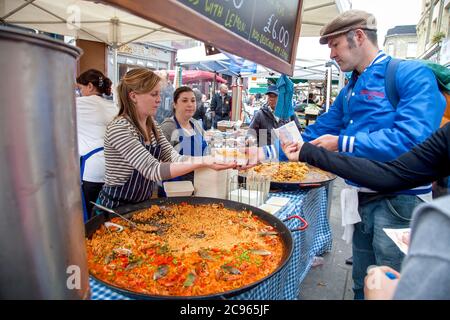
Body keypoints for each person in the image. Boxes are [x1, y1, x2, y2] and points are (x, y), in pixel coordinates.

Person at [260, 10, 446, 299]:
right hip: (361, 199)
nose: (332, 54)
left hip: (400, 201)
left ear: (358, 36)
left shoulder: (409, 73)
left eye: (335, 45)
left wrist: (343, 142)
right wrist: (264, 152)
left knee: (398, 290)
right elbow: (313, 133)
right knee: (363, 283)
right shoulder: (350, 89)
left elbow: (413, 141)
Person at [96, 68, 235, 209]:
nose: (159, 99)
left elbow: (175, 157)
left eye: (159, 94)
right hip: (115, 207)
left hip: (142, 204)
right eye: (153, 94)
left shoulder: (153, 126)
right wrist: (204, 161)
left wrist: (209, 161)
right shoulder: (120, 128)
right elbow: (153, 169)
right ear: (133, 96)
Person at [364, 195, 450, 300]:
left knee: (390, 273)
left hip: (403, 197)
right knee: (362, 274)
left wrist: (379, 297)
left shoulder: (442, 217)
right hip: (362, 193)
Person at [76, 69, 117, 219]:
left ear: (90, 86)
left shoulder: (77, 104)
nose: (79, 92)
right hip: (112, 168)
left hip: (91, 170)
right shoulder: (112, 106)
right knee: (106, 213)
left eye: (80, 88)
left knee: (90, 215)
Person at [160, 86, 207, 183]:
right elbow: (161, 161)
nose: (190, 104)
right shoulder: (168, 127)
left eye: (193, 101)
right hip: (175, 187)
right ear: (174, 104)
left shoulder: (196, 125)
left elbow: (205, 152)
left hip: (199, 182)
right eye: (185, 101)